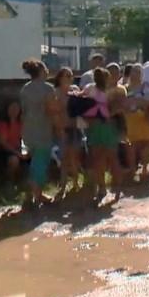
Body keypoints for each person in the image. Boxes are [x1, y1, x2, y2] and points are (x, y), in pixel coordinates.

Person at [20, 59, 57, 207]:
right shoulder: (48, 89)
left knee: (34, 162)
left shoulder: (25, 89)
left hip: (28, 129)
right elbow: (50, 110)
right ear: (41, 71)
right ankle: (38, 194)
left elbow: (24, 111)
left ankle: (30, 194)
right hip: (42, 128)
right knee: (40, 163)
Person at [84, 67, 119, 203]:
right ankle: (116, 185)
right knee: (112, 157)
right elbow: (114, 110)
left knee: (98, 159)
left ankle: (102, 187)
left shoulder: (90, 92)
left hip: (94, 127)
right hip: (107, 127)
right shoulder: (109, 94)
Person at [53, 67, 82, 200]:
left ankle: (76, 182)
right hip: (62, 128)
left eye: (70, 75)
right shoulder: (56, 93)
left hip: (74, 128)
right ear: (59, 78)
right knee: (64, 159)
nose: (69, 78)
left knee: (74, 157)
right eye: (66, 75)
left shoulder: (75, 91)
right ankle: (63, 185)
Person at [0, 101, 25, 186]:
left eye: (16, 108)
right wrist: (17, 153)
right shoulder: (3, 124)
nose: (14, 110)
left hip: (18, 148)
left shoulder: (20, 124)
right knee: (14, 160)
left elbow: (24, 138)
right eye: (12, 108)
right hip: (5, 150)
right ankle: (9, 181)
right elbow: (3, 142)